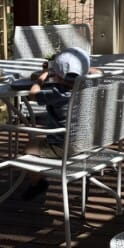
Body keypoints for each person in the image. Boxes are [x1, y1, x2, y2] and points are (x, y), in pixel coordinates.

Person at [18, 46, 94, 200]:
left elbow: (33, 94)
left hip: (64, 147)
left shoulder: (57, 93)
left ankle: (37, 183)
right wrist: (85, 69)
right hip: (88, 142)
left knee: (28, 147)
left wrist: (43, 76)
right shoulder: (89, 86)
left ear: (57, 76)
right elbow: (98, 72)